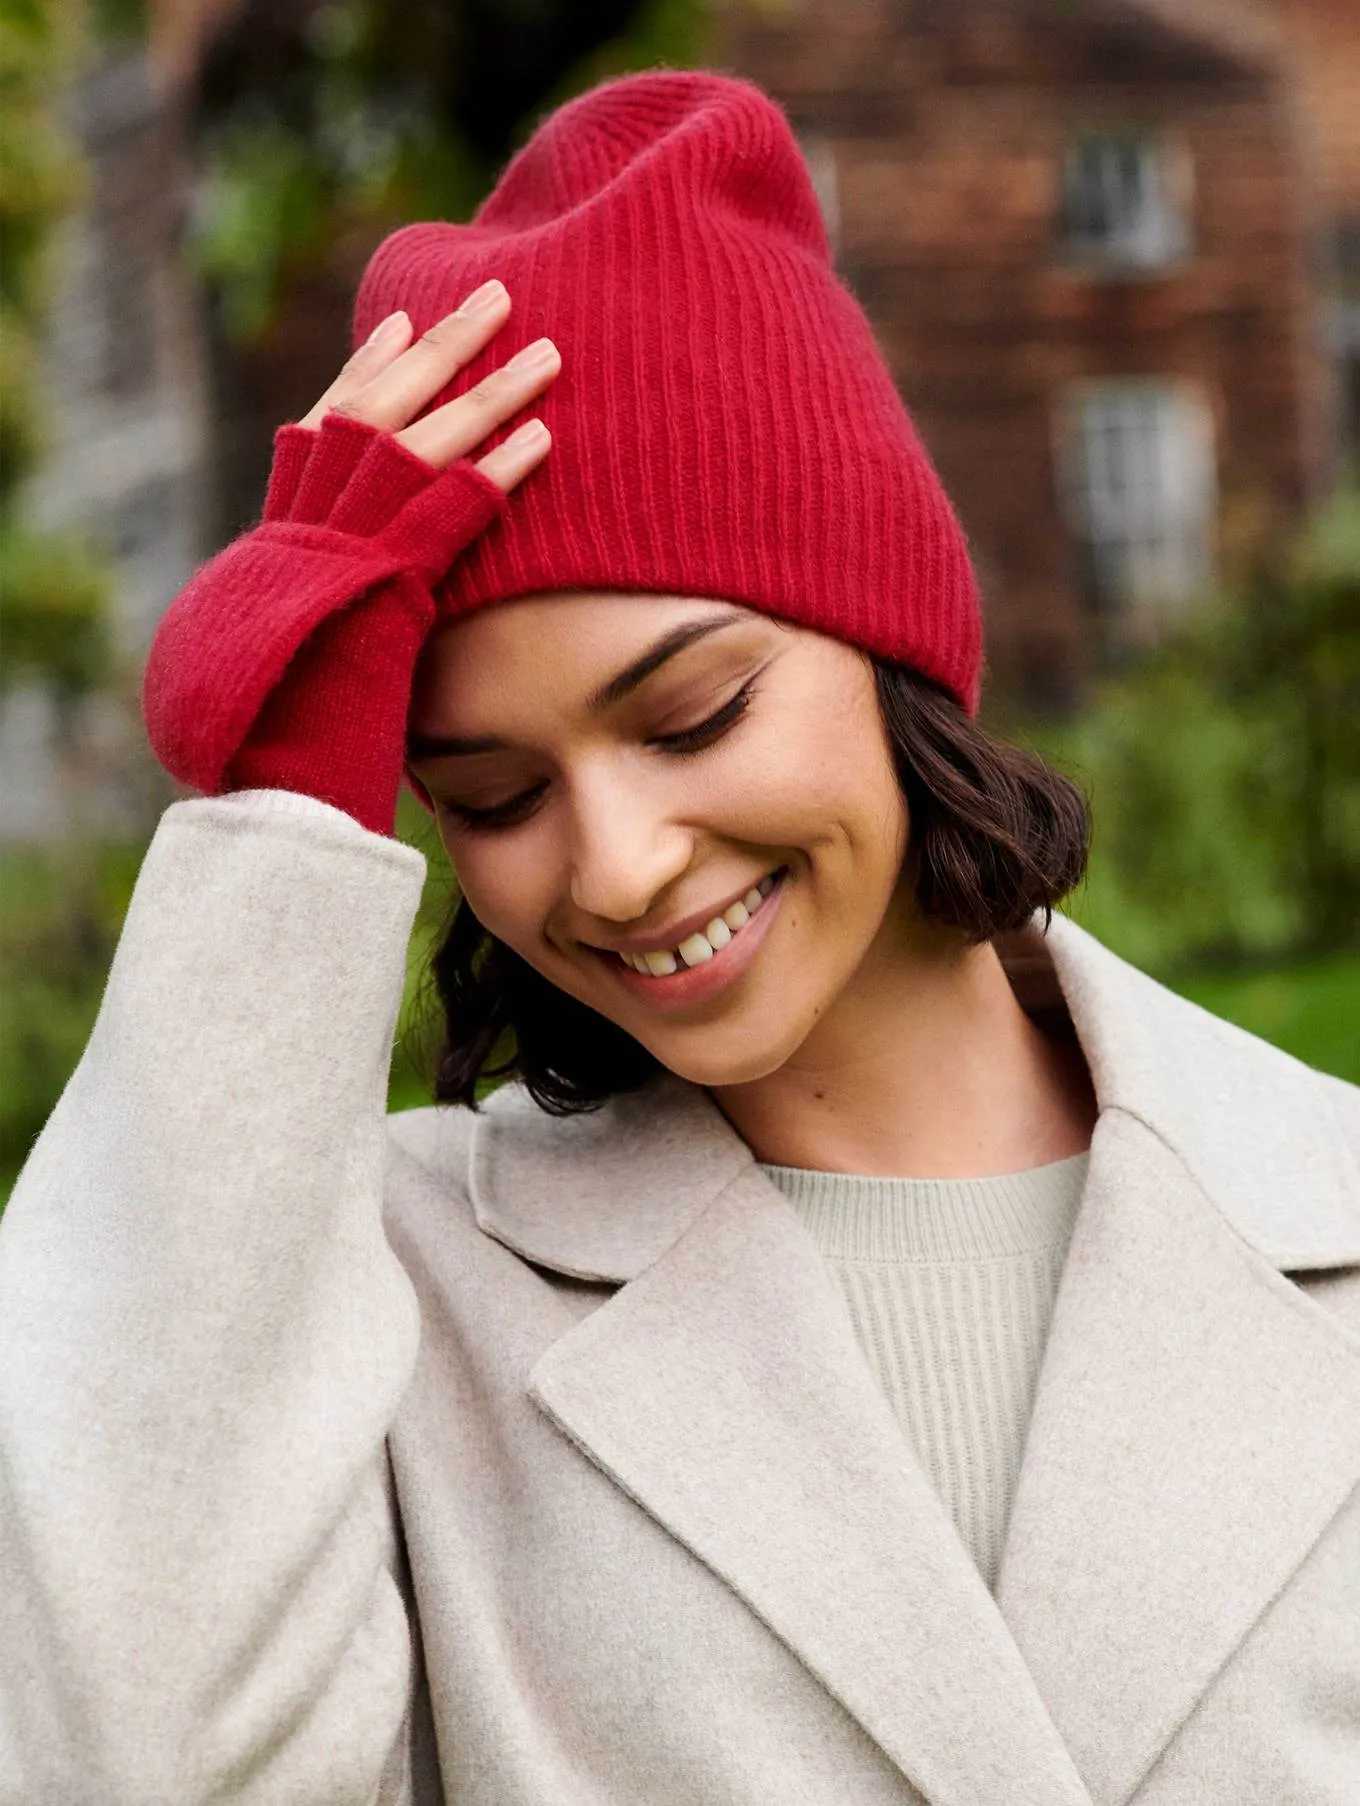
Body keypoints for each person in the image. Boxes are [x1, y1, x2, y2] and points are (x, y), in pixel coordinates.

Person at [1, 69, 1357, 1806]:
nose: (622, 867)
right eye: (489, 796)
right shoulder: (376, 1302)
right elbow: (130, 1756)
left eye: (696, 712)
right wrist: (286, 831)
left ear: (893, 655)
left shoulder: (1329, 1203)